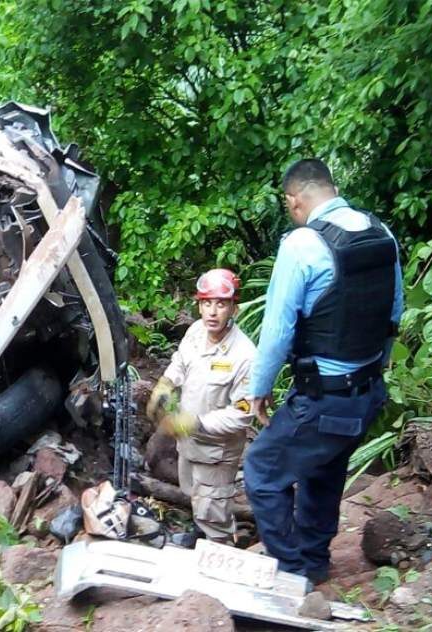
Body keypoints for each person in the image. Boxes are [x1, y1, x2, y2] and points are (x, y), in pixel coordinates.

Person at [244, 159, 403, 584]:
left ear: (293, 201)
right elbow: (394, 314)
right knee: (324, 466)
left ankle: (293, 575)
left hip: (325, 397)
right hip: (368, 394)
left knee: (261, 472)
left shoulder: (302, 244)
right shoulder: (380, 232)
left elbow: (278, 330)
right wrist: (376, 366)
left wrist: (258, 388)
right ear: (332, 187)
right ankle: (314, 562)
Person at [147, 268, 257, 545]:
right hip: (188, 443)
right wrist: (165, 383)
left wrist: (195, 424)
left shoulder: (244, 355)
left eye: (220, 304)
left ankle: (221, 548)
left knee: (213, 507)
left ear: (234, 307)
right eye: (206, 303)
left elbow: (242, 415)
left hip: (217, 451)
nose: (212, 312)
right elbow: (181, 361)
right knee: (195, 494)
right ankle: (209, 531)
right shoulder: (197, 331)